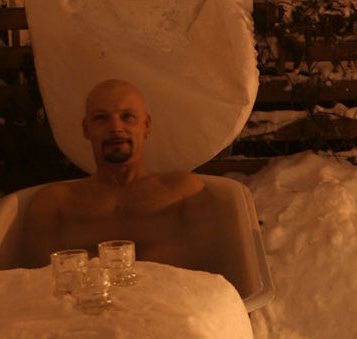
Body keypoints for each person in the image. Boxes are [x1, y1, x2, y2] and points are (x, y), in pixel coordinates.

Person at [21, 79, 220, 271]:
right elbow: (39, 274)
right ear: (86, 129)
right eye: (101, 117)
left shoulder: (184, 190)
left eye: (127, 116)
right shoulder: (54, 201)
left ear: (146, 125)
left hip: (173, 292)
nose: (115, 128)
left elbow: (211, 261)